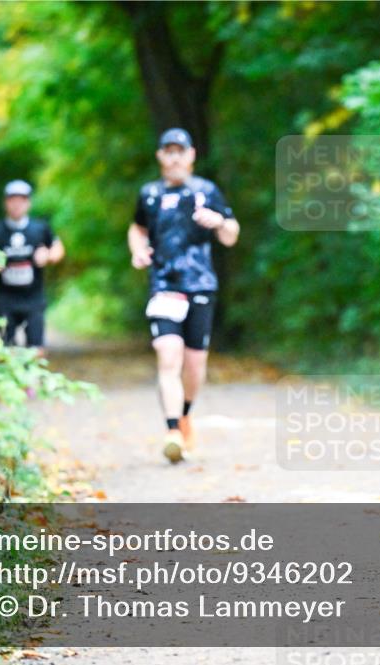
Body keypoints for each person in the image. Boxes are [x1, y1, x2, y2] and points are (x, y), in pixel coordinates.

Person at [129, 128, 240, 464]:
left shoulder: (207, 191)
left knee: (194, 366)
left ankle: (186, 414)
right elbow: (137, 227)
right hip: (164, 284)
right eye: (168, 151)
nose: (174, 157)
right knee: (167, 354)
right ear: (160, 156)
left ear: (191, 155)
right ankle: (172, 430)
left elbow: (232, 235)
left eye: (180, 151)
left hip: (201, 284)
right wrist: (138, 250)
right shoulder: (148, 194)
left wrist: (219, 221)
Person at [0, 180, 65, 353]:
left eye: (21, 200)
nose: (17, 205)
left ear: (28, 203)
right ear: (6, 203)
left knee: (36, 349)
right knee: (8, 349)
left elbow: (58, 249)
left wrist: (48, 256)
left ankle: (33, 379)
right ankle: (12, 379)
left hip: (33, 298)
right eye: (12, 200)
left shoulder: (40, 229)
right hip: (5, 299)